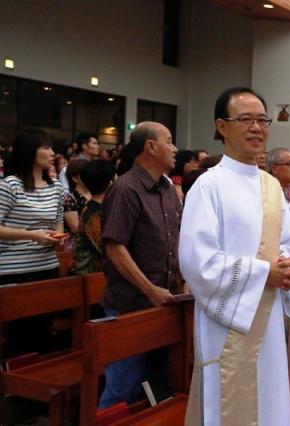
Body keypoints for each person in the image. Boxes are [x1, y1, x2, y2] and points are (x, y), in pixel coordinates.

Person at [179, 87, 290, 426]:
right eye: (245, 120)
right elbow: (197, 261)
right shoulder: (209, 186)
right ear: (222, 126)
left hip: (270, 315)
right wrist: (265, 273)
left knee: (271, 397)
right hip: (228, 320)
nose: (256, 128)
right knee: (231, 404)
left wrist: (288, 267)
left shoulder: (271, 186)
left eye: (262, 120)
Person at [98, 121, 181, 408]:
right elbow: (115, 247)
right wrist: (150, 289)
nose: (174, 149)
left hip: (164, 302)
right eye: (169, 141)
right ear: (150, 146)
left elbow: (177, 239)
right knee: (122, 386)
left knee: (153, 386)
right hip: (131, 305)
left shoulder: (167, 189)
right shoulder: (126, 189)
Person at [0, 129, 65, 357]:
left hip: (47, 265)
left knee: (43, 329)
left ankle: (40, 388)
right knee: (17, 333)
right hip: (15, 269)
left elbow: (58, 223)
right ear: (29, 152)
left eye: (51, 147)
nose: (52, 153)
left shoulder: (56, 187)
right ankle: (13, 387)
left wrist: (56, 238)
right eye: (46, 148)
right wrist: (33, 235)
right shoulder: (10, 186)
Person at [72, 160, 115, 275]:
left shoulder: (95, 207)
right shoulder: (94, 214)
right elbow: (109, 250)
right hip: (89, 275)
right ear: (110, 183)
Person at [62, 158, 90, 233]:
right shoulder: (70, 199)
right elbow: (75, 228)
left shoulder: (96, 194)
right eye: (86, 173)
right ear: (75, 178)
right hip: (78, 242)